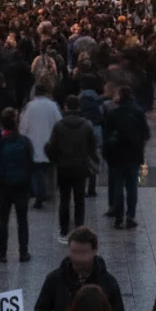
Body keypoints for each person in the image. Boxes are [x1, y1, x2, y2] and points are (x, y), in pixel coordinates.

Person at [35, 227, 127, 311]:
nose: (78, 258)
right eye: (74, 252)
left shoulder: (108, 281)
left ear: (95, 251)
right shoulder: (54, 279)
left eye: (83, 252)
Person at [45, 94, 100, 242]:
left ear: (65, 107)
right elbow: (93, 146)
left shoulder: (59, 125)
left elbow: (52, 147)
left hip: (63, 167)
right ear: (79, 107)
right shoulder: (86, 125)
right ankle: (79, 229)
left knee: (64, 199)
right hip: (80, 167)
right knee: (79, 199)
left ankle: (64, 230)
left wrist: (55, 159)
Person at [101, 86, 150, 229]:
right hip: (133, 155)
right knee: (132, 186)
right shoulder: (138, 112)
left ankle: (118, 216)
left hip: (117, 155)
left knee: (118, 186)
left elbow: (107, 134)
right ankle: (130, 215)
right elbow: (145, 133)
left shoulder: (113, 113)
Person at [0, 107, 35, 262]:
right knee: (22, 220)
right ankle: (23, 252)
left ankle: (2, 253)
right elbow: (30, 163)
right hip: (22, 187)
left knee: (3, 220)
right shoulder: (24, 142)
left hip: (4, 186)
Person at [20, 83, 62, 209]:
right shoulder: (53, 106)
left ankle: (40, 193)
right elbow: (59, 122)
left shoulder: (30, 107)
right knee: (49, 168)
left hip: (33, 140)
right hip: (49, 141)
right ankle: (49, 192)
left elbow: (23, 125)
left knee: (37, 168)